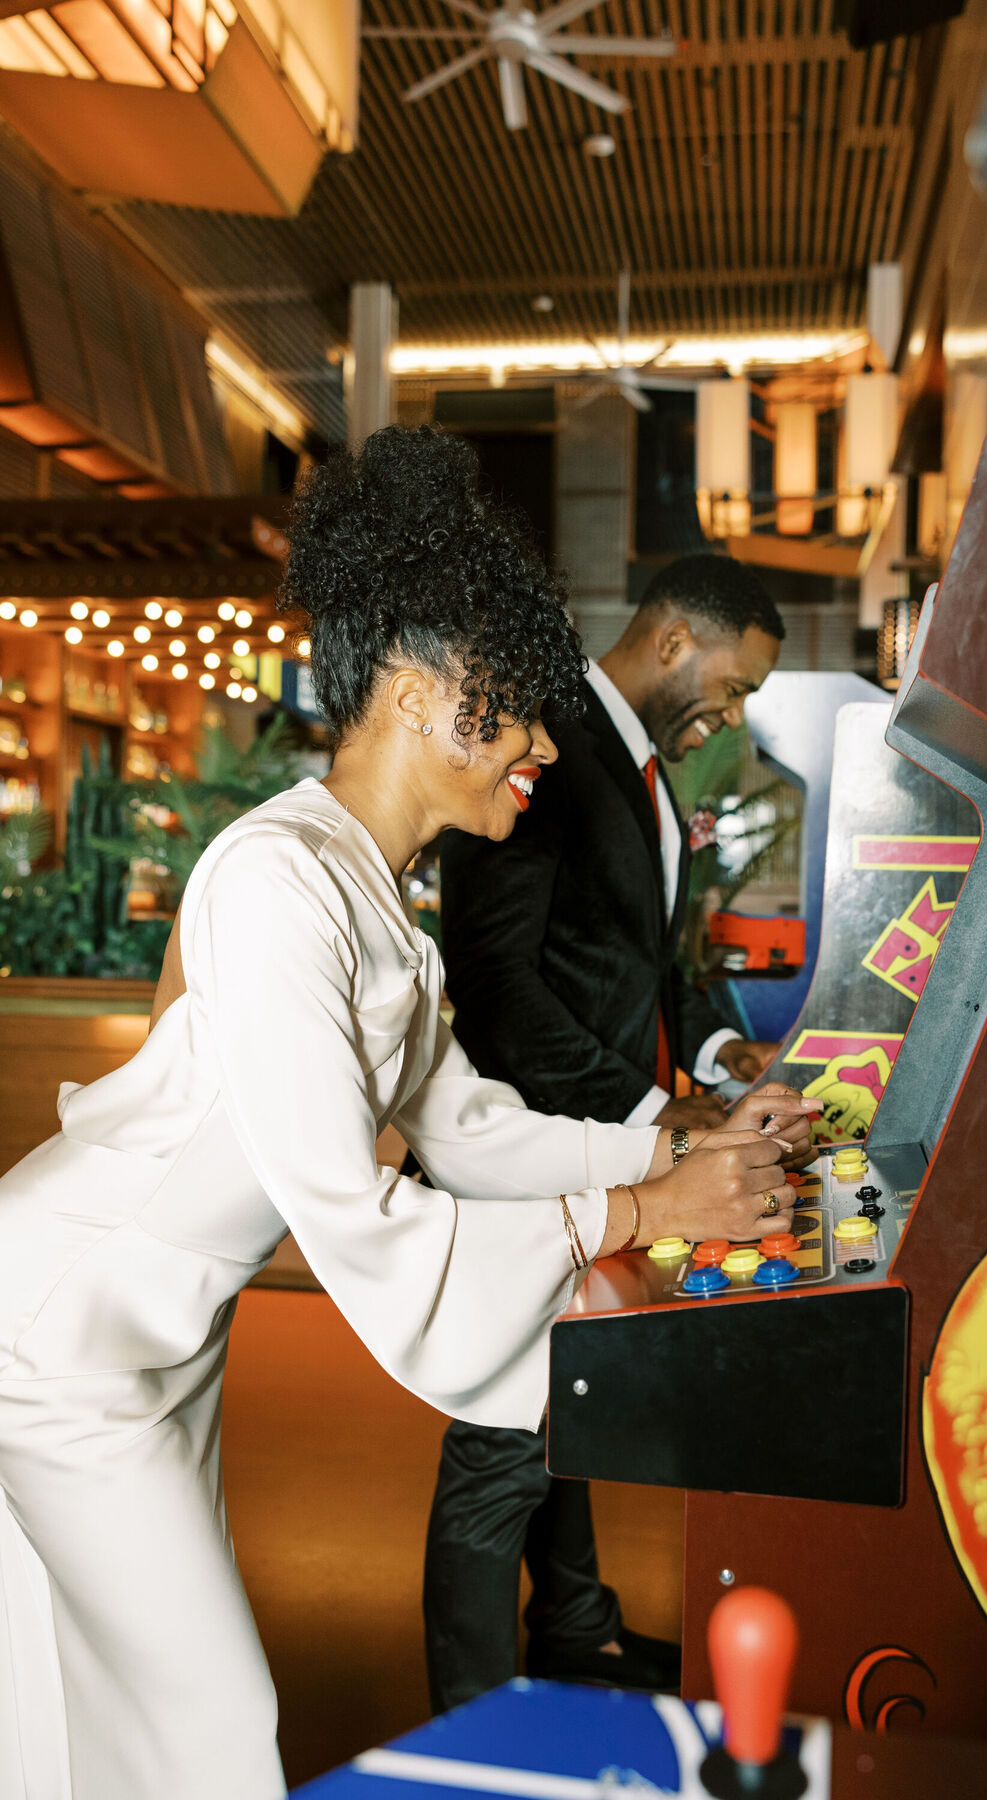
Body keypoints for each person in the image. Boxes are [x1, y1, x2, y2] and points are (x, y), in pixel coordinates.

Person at [0, 428, 813, 1800]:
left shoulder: (373, 890)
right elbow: (349, 1206)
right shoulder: (275, 881)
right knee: (206, 1712)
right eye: (523, 711)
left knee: (84, 1694)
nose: (545, 744)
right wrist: (637, 1209)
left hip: (158, 1336)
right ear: (429, 691)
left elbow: (470, 1128)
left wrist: (669, 1147)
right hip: (61, 1332)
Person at [424, 554, 804, 1712]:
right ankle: (472, 1718)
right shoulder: (544, 749)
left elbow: (635, 965)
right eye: (731, 687)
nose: (730, 716)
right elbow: (497, 981)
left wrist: (712, 1058)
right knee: (498, 1445)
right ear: (677, 640)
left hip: (600, 1142)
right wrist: (649, 1118)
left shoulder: (635, 768)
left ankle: (576, 1626)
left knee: (561, 1396)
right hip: (524, 1149)